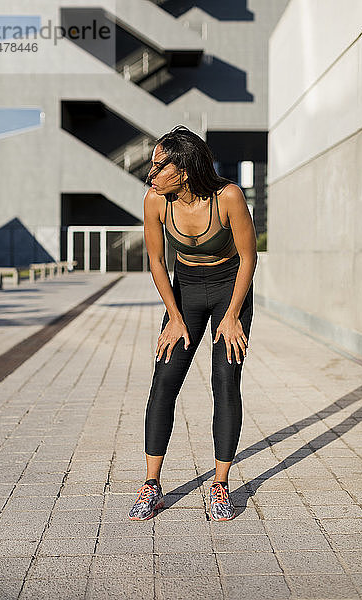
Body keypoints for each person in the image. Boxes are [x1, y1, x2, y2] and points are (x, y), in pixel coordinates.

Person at [128, 125, 257, 522]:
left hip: (229, 290)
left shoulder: (228, 197)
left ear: (182, 169)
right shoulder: (155, 201)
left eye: (158, 166)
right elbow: (156, 261)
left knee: (224, 382)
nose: (151, 175)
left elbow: (249, 259)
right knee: (164, 379)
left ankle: (220, 485)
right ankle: (152, 485)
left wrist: (233, 315)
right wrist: (173, 317)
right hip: (185, 291)